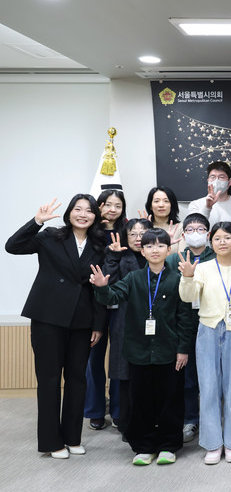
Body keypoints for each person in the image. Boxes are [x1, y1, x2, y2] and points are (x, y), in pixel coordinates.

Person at [5, 195, 106, 458]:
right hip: (48, 317)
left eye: (89, 210)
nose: (83, 214)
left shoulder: (100, 244)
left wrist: (98, 323)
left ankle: (72, 438)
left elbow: (98, 287)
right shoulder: (51, 236)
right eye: (78, 209)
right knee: (49, 380)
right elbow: (12, 246)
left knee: (77, 379)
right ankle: (52, 442)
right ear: (69, 213)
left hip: (82, 320)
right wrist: (37, 221)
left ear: (95, 216)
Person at [91, 228, 192, 466]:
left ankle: (168, 445)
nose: (155, 250)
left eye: (160, 245)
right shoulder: (134, 278)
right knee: (140, 401)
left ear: (169, 250)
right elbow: (111, 297)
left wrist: (183, 349)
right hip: (138, 351)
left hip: (169, 351)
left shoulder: (178, 279)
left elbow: (185, 318)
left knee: (170, 400)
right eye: (149, 246)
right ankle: (144, 447)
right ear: (142, 251)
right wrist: (102, 287)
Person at [178, 222, 231, 464]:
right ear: (211, 241)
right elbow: (188, 297)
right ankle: (213, 444)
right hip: (208, 332)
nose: (222, 242)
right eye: (218, 238)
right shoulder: (202, 268)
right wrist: (188, 277)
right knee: (209, 389)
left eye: (228, 238)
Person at [164, 213, 215, 443]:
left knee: (212, 376)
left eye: (200, 229)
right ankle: (190, 419)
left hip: (211, 322)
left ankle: (212, 420)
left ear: (208, 233)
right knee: (188, 377)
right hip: (182, 325)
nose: (196, 233)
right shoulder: (173, 260)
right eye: (191, 230)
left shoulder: (216, 257)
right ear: (183, 235)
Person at [99, 218, 153, 434]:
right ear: (125, 237)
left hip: (153, 323)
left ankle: (149, 420)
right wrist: (112, 257)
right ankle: (124, 420)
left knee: (150, 375)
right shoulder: (119, 256)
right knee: (125, 375)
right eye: (133, 234)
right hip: (125, 321)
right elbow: (108, 285)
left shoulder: (156, 256)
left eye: (143, 233)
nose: (138, 238)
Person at [84, 189, 127, 430]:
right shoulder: (89, 232)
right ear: (99, 206)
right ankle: (96, 410)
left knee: (120, 359)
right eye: (108, 204)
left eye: (117, 206)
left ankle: (120, 410)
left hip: (121, 301)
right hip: (94, 303)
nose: (112, 209)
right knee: (94, 359)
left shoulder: (127, 232)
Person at [187, 161, 231, 226]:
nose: (216, 181)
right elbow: (194, 227)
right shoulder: (196, 205)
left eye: (221, 177)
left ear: (229, 182)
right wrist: (207, 207)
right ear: (208, 181)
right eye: (213, 177)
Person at [144, 186, 183, 253]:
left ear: (172, 205)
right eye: (156, 201)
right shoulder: (145, 228)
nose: (161, 205)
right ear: (150, 206)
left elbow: (183, 256)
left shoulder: (180, 228)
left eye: (166, 201)